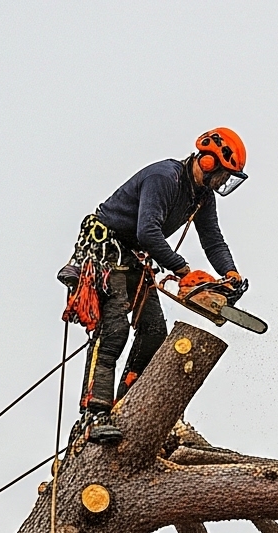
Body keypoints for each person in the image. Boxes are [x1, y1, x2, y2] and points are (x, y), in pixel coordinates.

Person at [66, 127, 250, 445]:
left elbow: (213, 239)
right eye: (222, 173)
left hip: (136, 257)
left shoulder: (202, 198)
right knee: (114, 331)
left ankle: (126, 403)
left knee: (154, 331)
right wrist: (182, 269)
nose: (222, 182)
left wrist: (230, 274)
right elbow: (148, 231)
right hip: (105, 250)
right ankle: (92, 416)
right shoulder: (165, 177)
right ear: (207, 162)